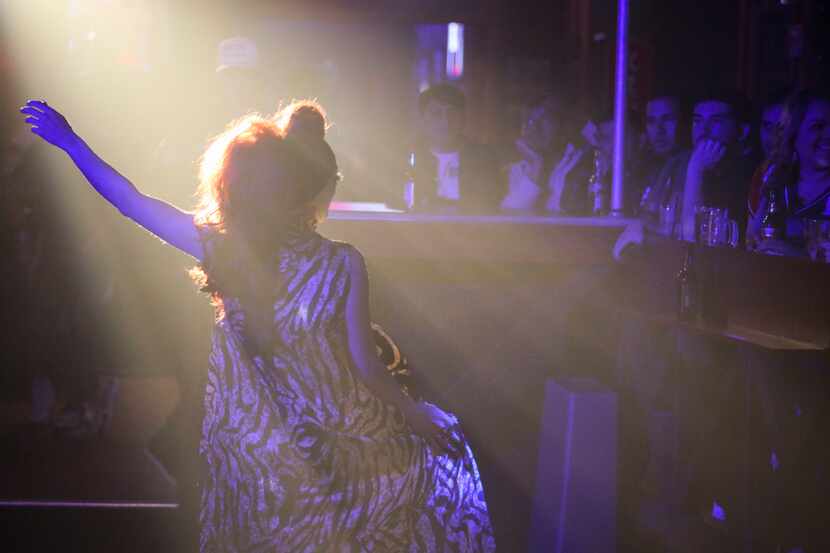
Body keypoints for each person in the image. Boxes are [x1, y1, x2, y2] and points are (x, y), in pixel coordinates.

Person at [20, 98, 495, 552]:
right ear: (317, 190)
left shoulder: (222, 248)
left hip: (250, 446)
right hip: (329, 442)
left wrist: (70, 141)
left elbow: (130, 201)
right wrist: (415, 415)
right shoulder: (343, 262)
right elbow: (366, 365)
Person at [746, 90, 830, 254]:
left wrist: (792, 255)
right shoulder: (775, 178)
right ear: (793, 134)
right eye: (818, 127)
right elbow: (751, 242)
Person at [411, 84, 500, 213]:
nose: (445, 121)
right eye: (436, 113)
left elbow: (491, 205)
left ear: (463, 118)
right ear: (423, 119)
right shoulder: (409, 157)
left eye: (452, 112)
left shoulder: (483, 159)